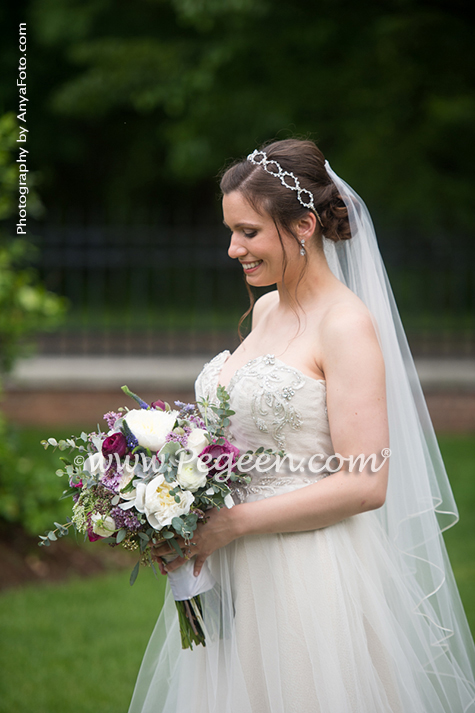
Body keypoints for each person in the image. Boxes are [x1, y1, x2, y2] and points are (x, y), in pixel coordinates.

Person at [128, 139, 475, 712]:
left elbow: (365, 483)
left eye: (249, 232)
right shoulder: (266, 309)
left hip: (305, 572)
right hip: (233, 566)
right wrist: (172, 493)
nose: (234, 249)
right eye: (231, 231)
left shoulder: (345, 325)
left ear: (304, 226)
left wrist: (229, 523)